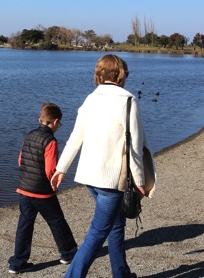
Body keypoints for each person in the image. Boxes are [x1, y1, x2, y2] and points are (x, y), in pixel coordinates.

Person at [51, 54, 156, 278]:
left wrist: (61, 169)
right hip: (112, 182)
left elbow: (74, 138)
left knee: (116, 226)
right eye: (125, 73)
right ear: (119, 75)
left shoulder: (90, 99)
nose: (126, 77)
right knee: (97, 234)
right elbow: (135, 147)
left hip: (90, 178)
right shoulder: (128, 101)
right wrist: (139, 182)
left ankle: (122, 274)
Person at [8, 102, 78, 274]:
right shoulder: (50, 141)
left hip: (24, 189)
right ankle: (68, 252)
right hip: (42, 191)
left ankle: (18, 262)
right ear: (55, 122)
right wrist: (54, 183)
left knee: (25, 224)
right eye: (59, 124)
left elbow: (20, 161)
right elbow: (49, 169)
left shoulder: (29, 135)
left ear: (40, 120)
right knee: (57, 221)